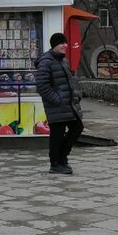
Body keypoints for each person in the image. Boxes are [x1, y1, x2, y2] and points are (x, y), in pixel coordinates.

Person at [35, 32, 83, 174]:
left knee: (77, 128)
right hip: (56, 106)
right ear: (54, 45)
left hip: (69, 105)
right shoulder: (46, 62)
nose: (65, 45)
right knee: (57, 135)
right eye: (62, 43)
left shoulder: (63, 61)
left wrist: (76, 95)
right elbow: (42, 86)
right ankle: (55, 164)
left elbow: (69, 82)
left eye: (65, 43)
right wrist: (57, 99)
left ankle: (62, 158)